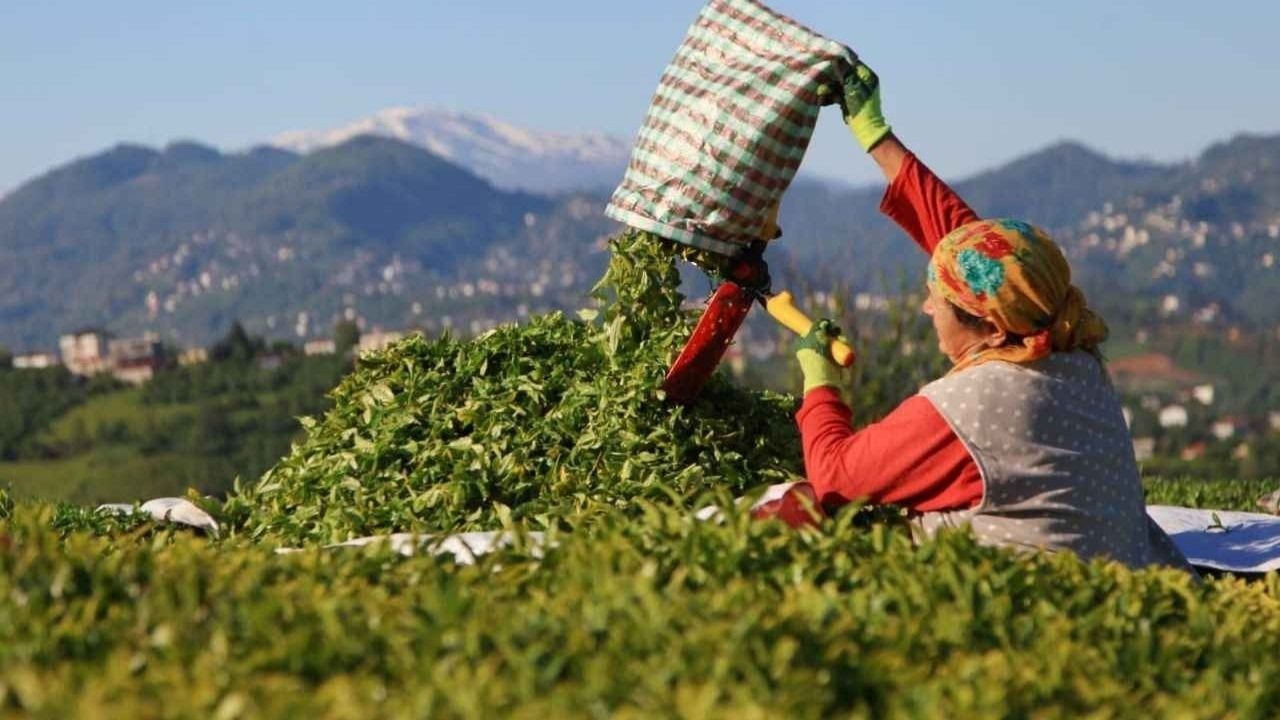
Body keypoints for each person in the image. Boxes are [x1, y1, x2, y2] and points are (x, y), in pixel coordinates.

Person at [793, 61, 1193, 572]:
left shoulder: (968, 407)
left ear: (992, 326)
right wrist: (876, 136)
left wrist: (819, 385)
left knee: (792, 506)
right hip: (1135, 580)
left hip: (1038, 606)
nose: (926, 307)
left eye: (935, 299)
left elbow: (835, 476)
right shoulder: (1069, 349)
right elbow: (987, 258)